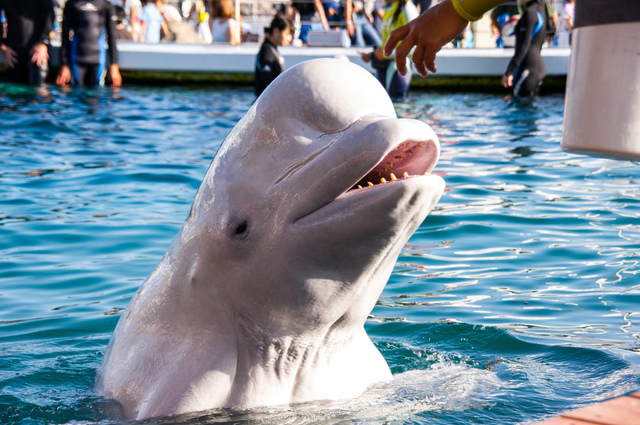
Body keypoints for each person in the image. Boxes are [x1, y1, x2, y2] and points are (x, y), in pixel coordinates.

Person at [360, 0, 418, 99]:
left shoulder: (408, 10)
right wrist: (371, 55)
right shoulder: (388, 9)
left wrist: (386, 54)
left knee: (399, 108)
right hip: (383, 68)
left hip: (398, 69)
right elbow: (385, 45)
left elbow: (414, 48)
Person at [56, 0, 122, 87]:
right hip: (76, 59)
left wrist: (114, 64)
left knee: (96, 94)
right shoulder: (71, 4)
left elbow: (112, 37)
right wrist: (64, 64)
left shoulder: (105, 5)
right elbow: (64, 36)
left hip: (98, 60)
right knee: (77, 93)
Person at [0, 0, 54, 85]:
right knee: (15, 91)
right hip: (13, 51)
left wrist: (43, 42)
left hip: (37, 50)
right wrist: (2, 45)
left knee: (39, 90)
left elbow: (50, 13)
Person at [501, 0, 546, 98]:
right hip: (535, 67)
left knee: (520, 105)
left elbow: (524, 45)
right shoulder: (540, 9)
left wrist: (509, 71)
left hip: (529, 70)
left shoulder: (530, 12)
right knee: (529, 107)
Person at [254, 14, 293, 97]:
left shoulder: (272, 49)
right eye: (287, 34)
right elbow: (265, 78)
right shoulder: (267, 51)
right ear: (276, 31)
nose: (289, 38)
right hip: (266, 104)